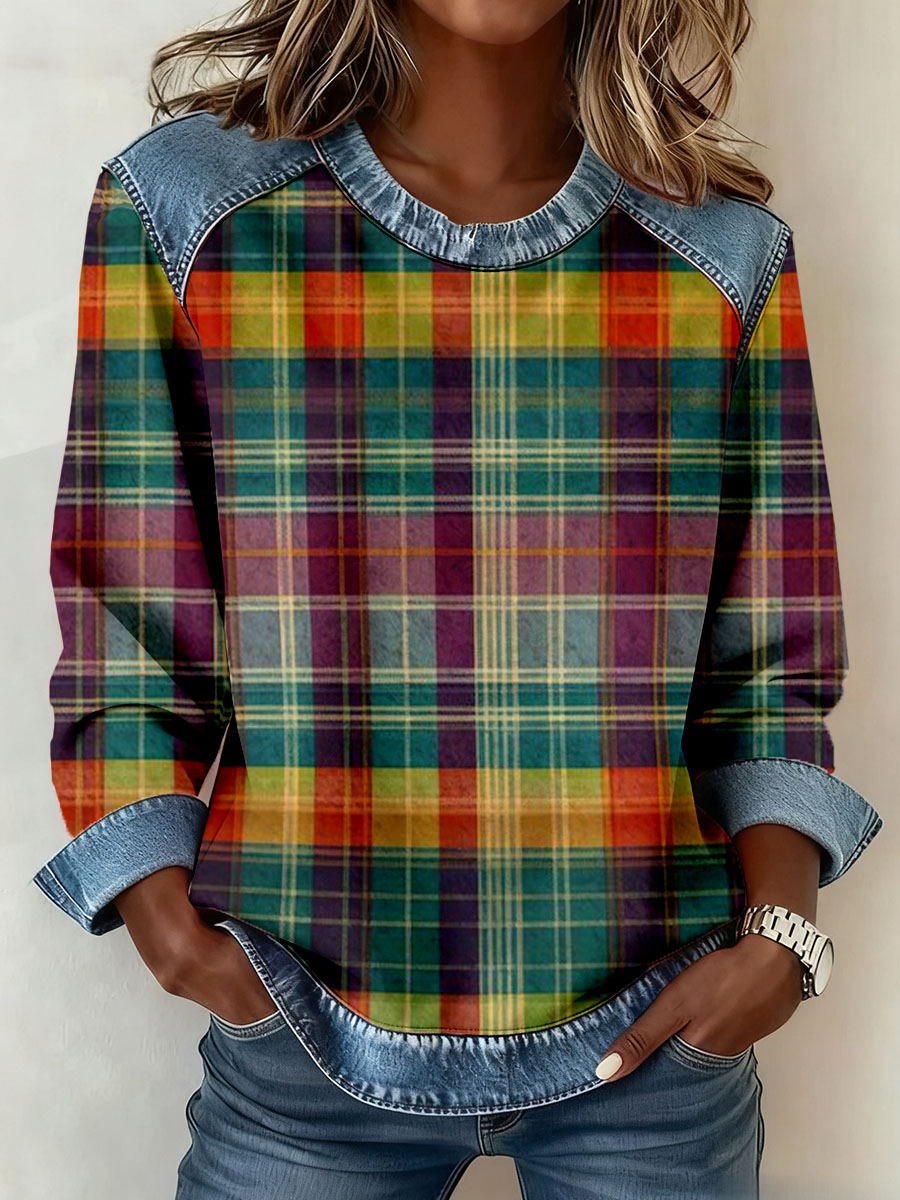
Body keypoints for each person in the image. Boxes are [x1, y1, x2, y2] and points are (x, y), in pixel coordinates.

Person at [32, 1, 882, 1197]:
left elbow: (770, 670)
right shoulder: (187, 215)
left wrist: (778, 943)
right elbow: (128, 619)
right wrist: (164, 923)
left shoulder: (722, 253)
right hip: (299, 1031)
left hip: (660, 1044)